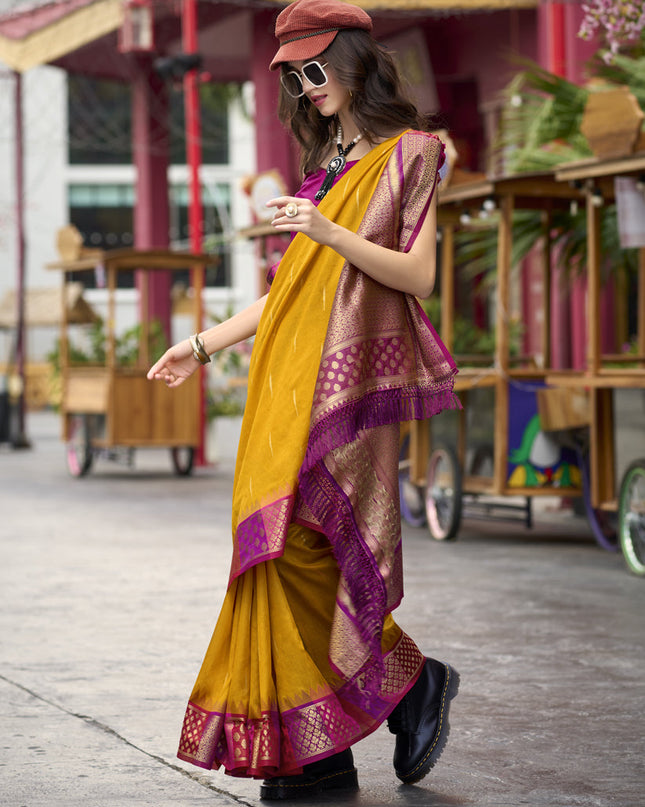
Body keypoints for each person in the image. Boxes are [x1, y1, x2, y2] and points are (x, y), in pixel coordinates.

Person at [147, 0, 460, 800]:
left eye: (315, 65)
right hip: (282, 385)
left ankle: (395, 694)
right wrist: (199, 344)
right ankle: (317, 750)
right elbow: (290, 290)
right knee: (275, 553)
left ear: (356, 58)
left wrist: (326, 229)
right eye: (293, 72)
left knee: (316, 545)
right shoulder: (323, 169)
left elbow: (416, 278)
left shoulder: (416, 153)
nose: (305, 82)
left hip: (349, 384)